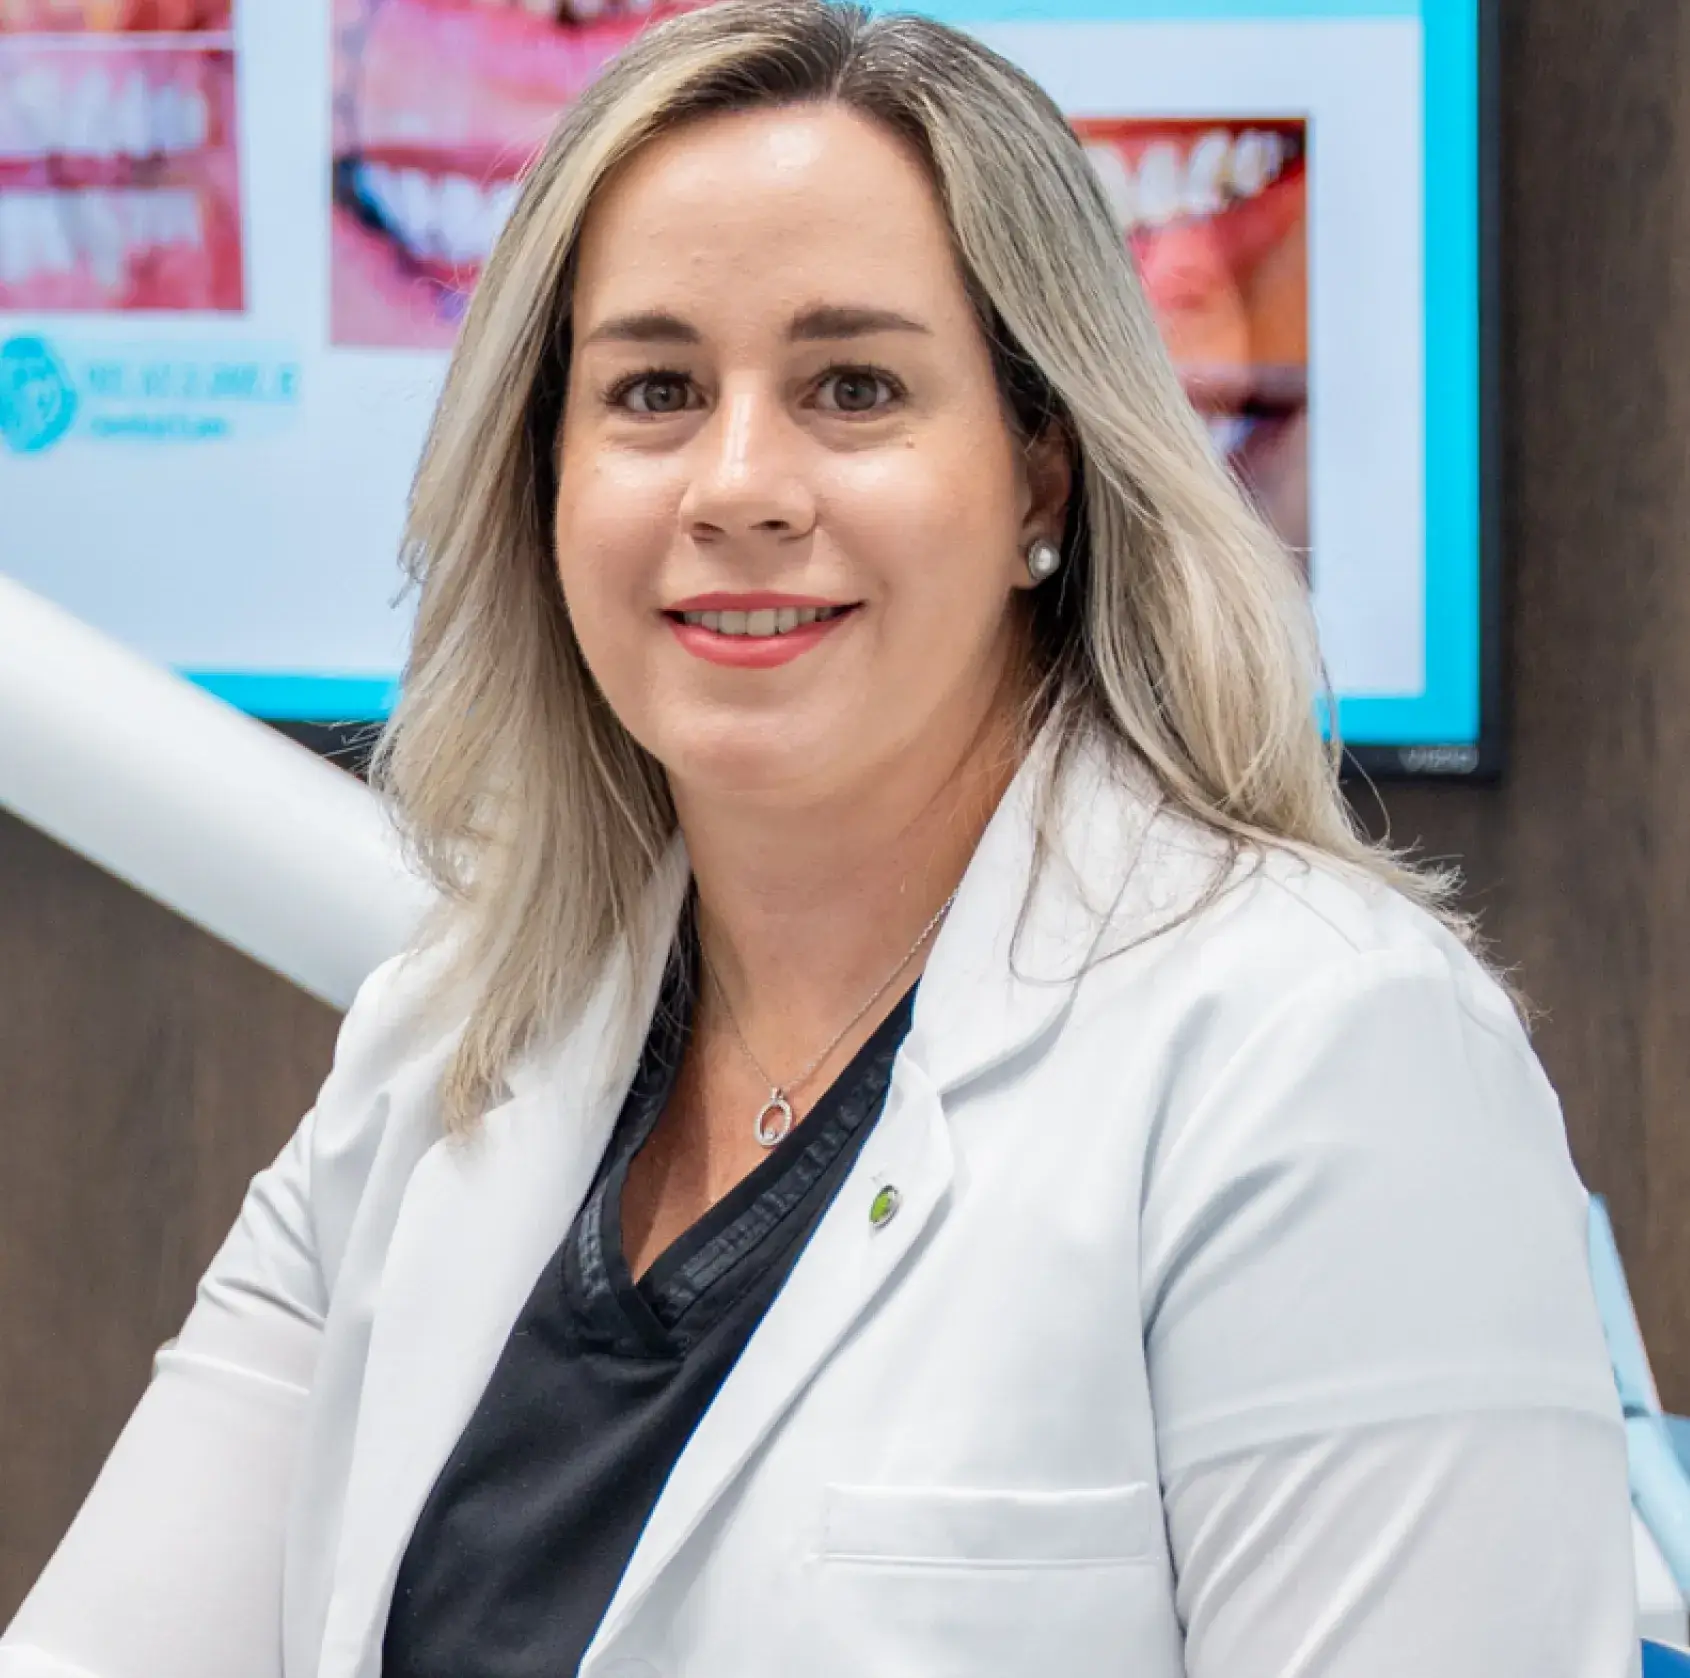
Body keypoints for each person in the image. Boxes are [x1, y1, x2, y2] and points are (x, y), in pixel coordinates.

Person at [0, 2, 1636, 1673]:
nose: (737, 483)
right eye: (651, 390)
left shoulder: (1326, 1057)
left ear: (1041, 481)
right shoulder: (446, 1045)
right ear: (543, 477)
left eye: (852, 386)